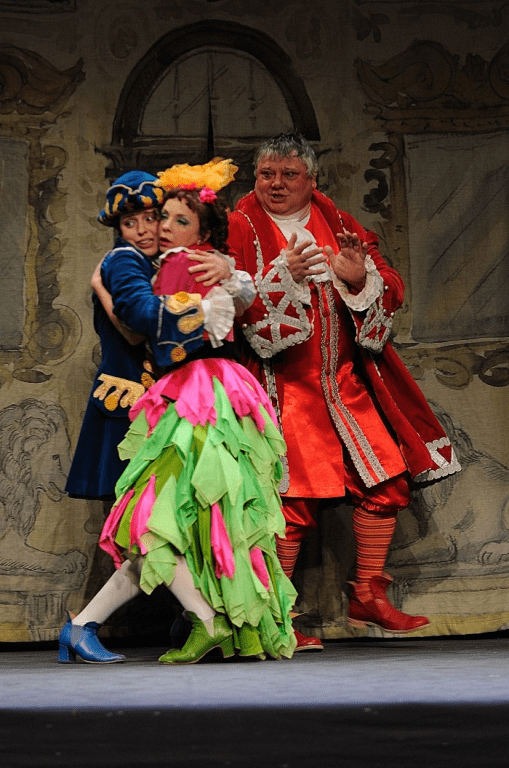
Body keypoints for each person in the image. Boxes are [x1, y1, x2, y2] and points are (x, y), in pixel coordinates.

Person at [228, 132, 461, 647]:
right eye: (267, 174)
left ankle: (368, 595)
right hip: (282, 387)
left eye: (289, 174)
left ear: (312, 179)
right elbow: (224, 299)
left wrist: (359, 279)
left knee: (386, 485)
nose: (276, 184)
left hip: (344, 383)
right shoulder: (239, 225)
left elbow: (390, 283)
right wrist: (280, 278)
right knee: (291, 505)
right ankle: (277, 617)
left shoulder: (337, 221)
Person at [60, 160, 296, 664]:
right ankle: (195, 619)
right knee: (154, 523)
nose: (152, 229)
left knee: (169, 523)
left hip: (186, 400)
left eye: (159, 218)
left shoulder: (177, 261)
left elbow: (229, 306)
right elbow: (142, 319)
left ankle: (165, 620)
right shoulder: (128, 261)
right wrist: (210, 300)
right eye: (137, 222)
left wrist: (228, 274)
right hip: (152, 402)